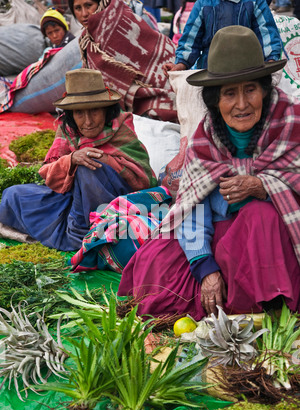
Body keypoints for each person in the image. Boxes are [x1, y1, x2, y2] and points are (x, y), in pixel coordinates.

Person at [118, 26, 300, 321]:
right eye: (230, 93)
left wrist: (262, 186)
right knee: (155, 266)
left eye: (250, 89)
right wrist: (205, 266)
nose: (242, 104)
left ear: (265, 91)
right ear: (216, 100)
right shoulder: (206, 137)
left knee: (259, 216)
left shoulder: (291, 121)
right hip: (219, 235)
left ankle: (267, 304)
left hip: (275, 243)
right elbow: (192, 204)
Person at [0, 68, 156, 252]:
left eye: (94, 111)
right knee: (13, 196)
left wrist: (106, 160)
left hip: (115, 205)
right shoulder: (68, 130)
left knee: (88, 167)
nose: (88, 121)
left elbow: (144, 179)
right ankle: (77, 231)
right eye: (79, 113)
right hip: (72, 199)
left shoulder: (121, 128)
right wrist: (71, 159)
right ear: (71, 115)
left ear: (106, 110)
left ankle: (91, 234)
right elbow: (48, 172)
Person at [162, 0, 283, 76]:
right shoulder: (204, 4)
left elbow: (267, 35)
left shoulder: (255, 2)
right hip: (210, 72)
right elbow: (191, 39)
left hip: (249, 70)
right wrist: (180, 64)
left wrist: (270, 61)